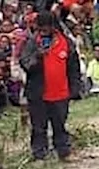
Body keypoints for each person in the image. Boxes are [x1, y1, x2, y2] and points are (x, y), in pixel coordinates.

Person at [20, 12, 79, 161]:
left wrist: (75, 89)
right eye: (41, 28)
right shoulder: (32, 43)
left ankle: (63, 151)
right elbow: (25, 64)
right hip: (38, 94)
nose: (43, 31)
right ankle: (39, 154)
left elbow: (74, 68)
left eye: (46, 27)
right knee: (39, 127)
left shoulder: (66, 42)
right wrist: (38, 57)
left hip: (61, 93)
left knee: (60, 125)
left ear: (53, 27)